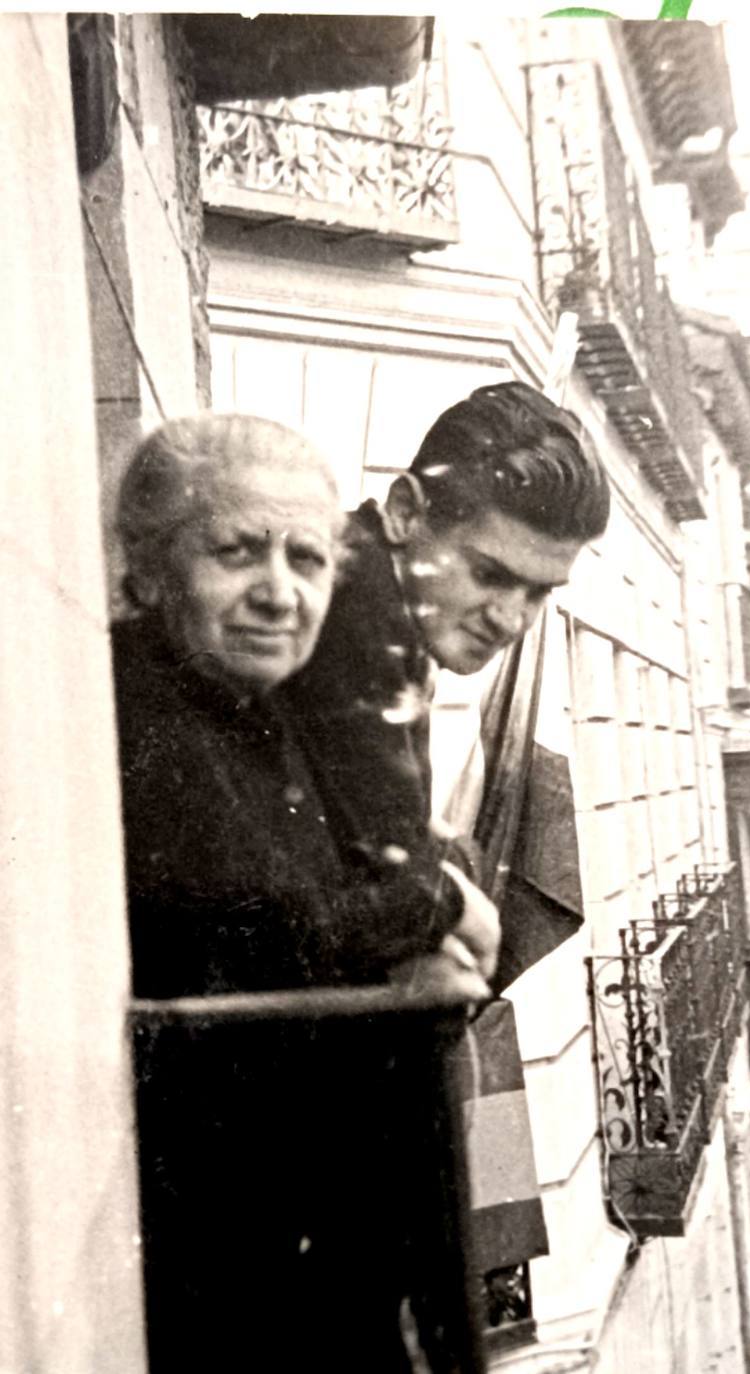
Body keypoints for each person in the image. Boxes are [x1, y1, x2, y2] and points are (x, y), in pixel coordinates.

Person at [112, 413, 499, 1371]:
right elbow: (266, 927)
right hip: (228, 1282)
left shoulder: (260, 710)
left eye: (309, 560)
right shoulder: (141, 708)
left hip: (298, 1253)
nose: (279, 594)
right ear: (153, 569)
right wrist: (439, 906)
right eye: (237, 553)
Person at [285, 379, 610, 880]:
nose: (510, 619)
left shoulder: (367, 587)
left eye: (539, 592)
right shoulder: (351, 623)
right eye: (490, 575)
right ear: (405, 513)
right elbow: (388, 884)